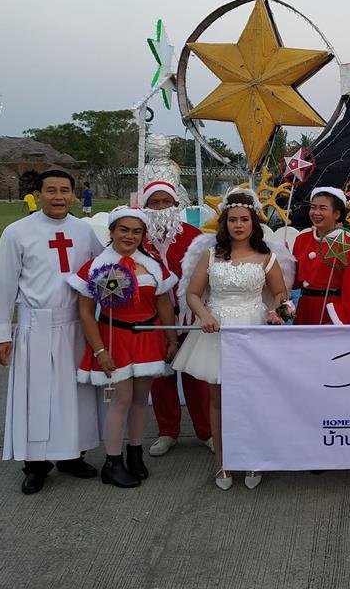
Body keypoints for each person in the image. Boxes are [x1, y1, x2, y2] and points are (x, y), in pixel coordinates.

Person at [0, 169, 103, 494]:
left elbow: (103, 270)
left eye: (65, 190)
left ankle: (72, 456)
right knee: (37, 398)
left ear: (73, 195)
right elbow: (3, 284)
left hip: (75, 326)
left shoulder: (84, 230)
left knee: (76, 396)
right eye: (51, 190)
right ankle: (35, 465)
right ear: (38, 195)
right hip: (35, 327)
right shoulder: (17, 232)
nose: (58, 197)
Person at [171, 189, 289, 490]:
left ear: (253, 223)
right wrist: (204, 315)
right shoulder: (211, 255)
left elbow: (280, 292)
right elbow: (193, 293)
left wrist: (276, 311)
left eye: (244, 219)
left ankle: (252, 459)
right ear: (224, 223)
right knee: (218, 400)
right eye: (233, 219)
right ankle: (222, 462)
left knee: (252, 399)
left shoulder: (267, 256)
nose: (238, 225)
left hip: (252, 330)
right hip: (217, 330)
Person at [70, 207, 177, 488]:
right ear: (112, 231)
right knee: (122, 399)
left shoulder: (152, 264)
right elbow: (85, 312)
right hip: (114, 339)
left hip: (147, 338)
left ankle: (135, 453)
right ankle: (112, 462)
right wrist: (99, 351)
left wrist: (171, 338)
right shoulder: (96, 265)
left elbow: (164, 303)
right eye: (124, 230)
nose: (129, 236)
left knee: (141, 399)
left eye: (136, 231)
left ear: (143, 235)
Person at [139, 180, 213, 457]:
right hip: (155, 319)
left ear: (176, 204)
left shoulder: (195, 236)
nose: (160, 208)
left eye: (166, 202)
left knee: (196, 377)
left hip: (190, 317)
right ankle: (167, 431)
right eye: (154, 203)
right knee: (161, 377)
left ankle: (206, 431)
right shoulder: (139, 238)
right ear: (145, 207)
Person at [291, 187, 350, 325]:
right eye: (313, 207)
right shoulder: (302, 240)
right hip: (304, 309)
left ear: (337, 214)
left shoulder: (344, 242)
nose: (316, 213)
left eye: (323, 208)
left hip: (329, 311)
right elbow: (295, 282)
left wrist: (338, 318)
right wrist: (285, 263)